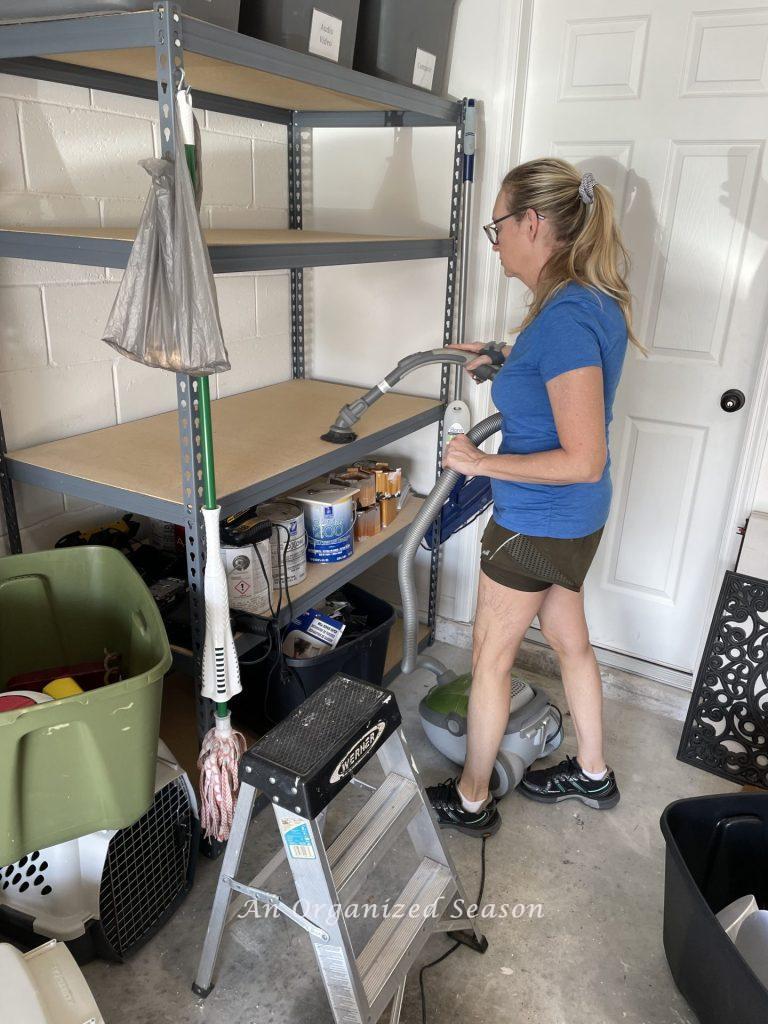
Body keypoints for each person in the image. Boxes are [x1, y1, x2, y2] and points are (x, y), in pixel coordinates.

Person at [425, 158, 644, 838]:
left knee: (490, 659)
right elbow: (555, 379)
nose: (495, 244)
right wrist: (505, 357)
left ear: (531, 223)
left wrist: (479, 460)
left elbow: (582, 457)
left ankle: (470, 797)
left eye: (497, 227)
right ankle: (594, 772)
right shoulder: (585, 302)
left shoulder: (564, 320)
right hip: (574, 523)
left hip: (536, 521)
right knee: (568, 640)